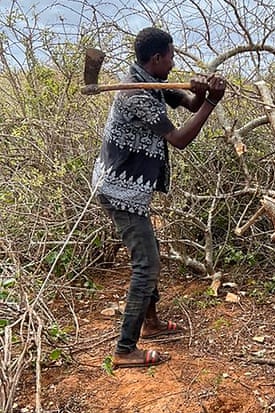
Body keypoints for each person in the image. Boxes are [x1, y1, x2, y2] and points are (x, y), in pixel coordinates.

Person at [92, 27, 226, 369]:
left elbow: (190, 103)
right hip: (119, 191)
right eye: (170, 56)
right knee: (147, 264)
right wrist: (211, 103)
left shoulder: (150, 81)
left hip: (131, 189)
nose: (173, 60)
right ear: (156, 59)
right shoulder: (135, 94)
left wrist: (201, 92)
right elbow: (179, 138)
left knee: (147, 255)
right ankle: (124, 349)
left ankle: (149, 323)